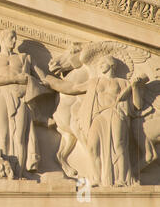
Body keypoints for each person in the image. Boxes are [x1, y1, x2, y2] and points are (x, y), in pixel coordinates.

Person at [43, 55, 148, 186]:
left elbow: (137, 105)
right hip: (98, 116)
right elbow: (73, 88)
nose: (100, 65)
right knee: (92, 147)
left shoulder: (124, 83)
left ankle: (122, 178)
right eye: (100, 63)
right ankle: (96, 178)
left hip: (115, 114)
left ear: (112, 65)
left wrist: (136, 87)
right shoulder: (94, 82)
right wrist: (51, 82)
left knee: (119, 145)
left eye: (103, 63)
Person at [0, 29, 44, 178]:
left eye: (15, 38)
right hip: (0, 96)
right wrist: (15, 79)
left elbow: (42, 79)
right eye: (12, 38)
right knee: (3, 135)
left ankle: (18, 173)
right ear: (2, 39)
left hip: (19, 97)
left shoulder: (24, 58)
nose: (14, 41)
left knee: (19, 137)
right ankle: (5, 172)